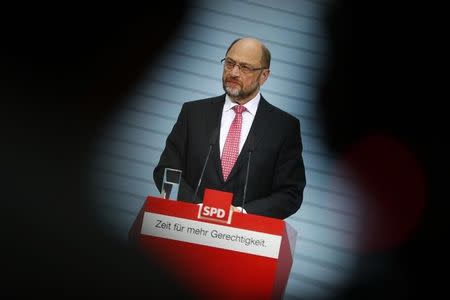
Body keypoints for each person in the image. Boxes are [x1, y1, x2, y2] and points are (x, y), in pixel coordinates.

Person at [154, 37, 306, 219]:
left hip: (246, 240)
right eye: (229, 63)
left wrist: (243, 213)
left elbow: (290, 193)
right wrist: (199, 209)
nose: (233, 72)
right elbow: (166, 171)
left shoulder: (284, 127)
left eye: (245, 67)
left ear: (264, 76)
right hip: (184, 228)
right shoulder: (193, 113)